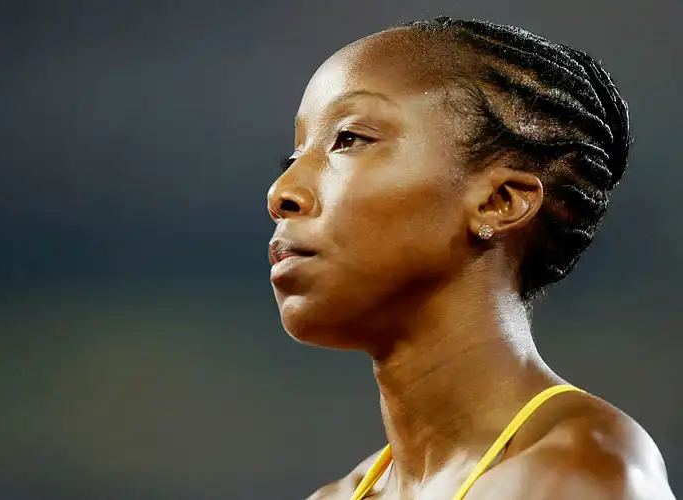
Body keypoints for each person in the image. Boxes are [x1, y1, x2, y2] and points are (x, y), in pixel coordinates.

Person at [266, 17, 675, 500]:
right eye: (293, 158)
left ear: (499, 201)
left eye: (349, 138)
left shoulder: (580, 473)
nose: (281, 192)